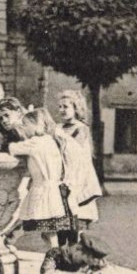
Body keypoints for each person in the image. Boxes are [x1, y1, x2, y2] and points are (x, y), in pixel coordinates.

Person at [5, 108, 73, 249]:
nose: (23, 129)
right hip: (54, 190)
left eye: (25, 125)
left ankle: (10, 239)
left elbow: (13, 148)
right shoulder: (51, 140)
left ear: (37, 126)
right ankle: (55, 255)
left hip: (42, 189)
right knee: (48, 230)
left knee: (33, 220)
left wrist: (11, 139)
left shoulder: (36, 141)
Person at [57, 91, 102, 232]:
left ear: (75, 108)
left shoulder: (81, 128)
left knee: (77, 223)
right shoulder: (59, 127)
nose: (61, 110)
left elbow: (73, 150)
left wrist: (56, 134)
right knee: (60, 226)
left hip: (79, 180)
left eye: (65, 106)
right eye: (59, 107)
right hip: (63, 178)